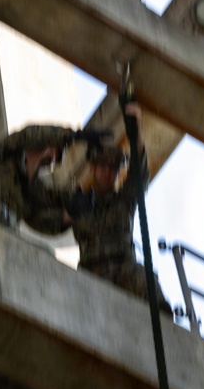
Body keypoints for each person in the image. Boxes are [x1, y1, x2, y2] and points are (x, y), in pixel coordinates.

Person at [66, 104, 172, 312]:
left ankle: (163, 324)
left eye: (113, 168)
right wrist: (67, 214)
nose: (108, 172)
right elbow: (47, 217)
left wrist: (136, 129)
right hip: (92, 272)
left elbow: (139, 173)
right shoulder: (79, 203)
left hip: (124, 268)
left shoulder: (124, 200)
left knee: (146, 278)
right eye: (103, 166)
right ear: (93, 168)